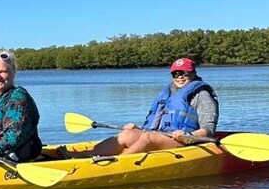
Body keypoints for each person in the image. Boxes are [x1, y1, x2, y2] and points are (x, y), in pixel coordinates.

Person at [69, 57, 218, 157]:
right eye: (175, 74)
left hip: (185, 140)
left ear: (193, 73)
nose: (179, 77)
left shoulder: (202, 95)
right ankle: (84, 156)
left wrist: (189, 135)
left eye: (184, 73)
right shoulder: (169, 93)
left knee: (147, 137)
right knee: (128, 133)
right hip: (159, 135)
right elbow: (158, 124)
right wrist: (138, 127)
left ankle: (118, 162)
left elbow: (209, 129)